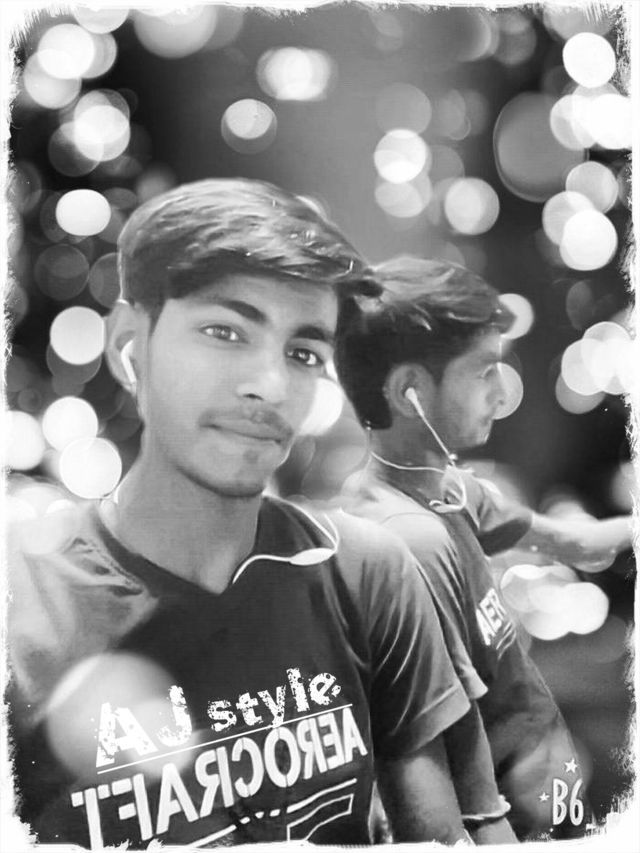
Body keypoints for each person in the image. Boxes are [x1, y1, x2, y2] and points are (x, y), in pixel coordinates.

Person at [7, 180, 514, 849]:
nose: (270, 387)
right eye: (224, 332)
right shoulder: (24, 613)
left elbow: (440, 839)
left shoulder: (365, 573)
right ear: (130, 344)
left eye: (304, 354)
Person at [335, 255, 633, 840]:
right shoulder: (406, 542)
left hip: (545, 795)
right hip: (508, 823)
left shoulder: (450, 490)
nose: (501, 393)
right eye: (484, 371)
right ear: (410, 391)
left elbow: (582, 545)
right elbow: (443, 742)